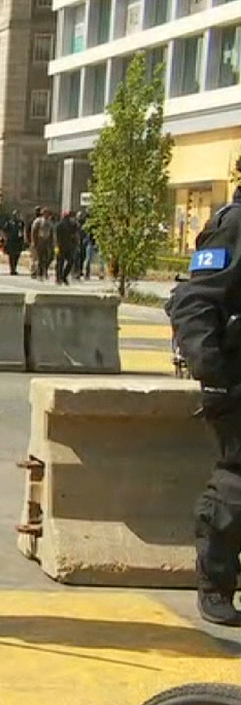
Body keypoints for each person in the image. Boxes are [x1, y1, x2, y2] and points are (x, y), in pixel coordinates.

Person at [166, 163, 241, 627]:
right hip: (236, 380)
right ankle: (214, 584)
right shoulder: (235, 225)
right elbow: (193, 302)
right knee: (236, 483)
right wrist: (212, 375)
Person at [54, 210, 80, 285]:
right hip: (63, 246)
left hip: (67, 247)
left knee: (66, 262)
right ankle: (60, 277)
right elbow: (56, 237)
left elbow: (75, 235)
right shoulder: (59, 225)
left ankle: (62, 277)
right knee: (61, 262)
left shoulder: (72, 225)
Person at [30, 208, 55, 281]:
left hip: (47, 242)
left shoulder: (50, 222)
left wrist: (52, 243)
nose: (47, 215)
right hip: (39, 241)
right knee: (39, 259)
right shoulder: (38, 221)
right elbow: (34, 232)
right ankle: (39, 273)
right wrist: (34, 242)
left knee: (49, 258)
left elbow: (52, 233)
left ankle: (44, 271)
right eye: (45, 213)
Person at [3, 210, 25, 276]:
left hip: (18, 241)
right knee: (11, 256)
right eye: (15, 215)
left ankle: (15, 268)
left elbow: (23, 231)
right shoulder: (9, 223)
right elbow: (4, 231)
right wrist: (5, 238)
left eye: (17, 215)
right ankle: (12, 269)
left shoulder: (20, 223)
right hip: (11, 241)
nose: (16, 216)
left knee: (17, 256)